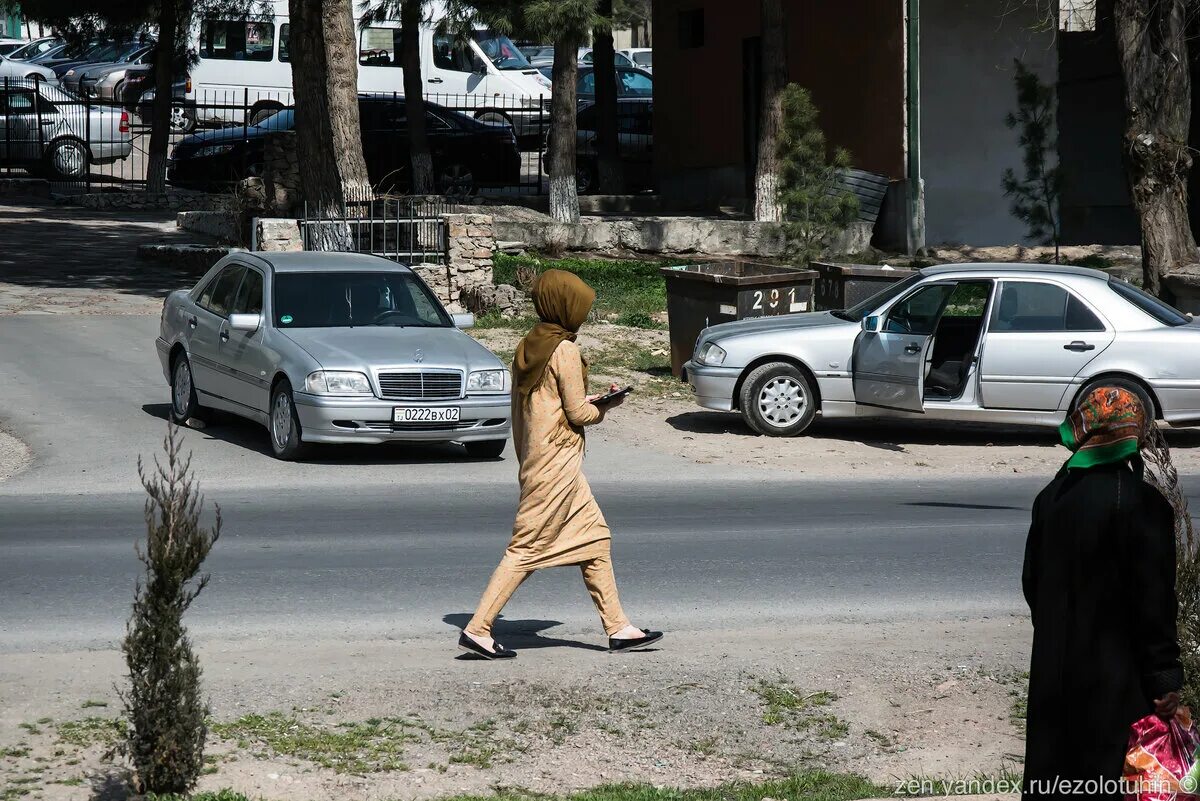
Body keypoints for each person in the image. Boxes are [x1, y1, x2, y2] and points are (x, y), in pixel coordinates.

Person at [459, 269, 663, 659]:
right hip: (556, 464)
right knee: (527, 548)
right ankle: (478, 628)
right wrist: (608, 405)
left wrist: (590, 403)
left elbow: (544, 407)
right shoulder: (564, 350)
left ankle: (619, 628)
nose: (583, 314)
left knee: (595, 539)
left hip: (542, 459)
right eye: (580, 306)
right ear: (564, 306)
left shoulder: (530, 344)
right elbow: (578, 413)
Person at [1022, 386, 1183, 800]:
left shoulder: (1050, 500)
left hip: (1054, 673)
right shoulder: (1145, 506)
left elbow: (1032, 585)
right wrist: (1164, 677)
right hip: (1118, 679)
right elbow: (1155, 604)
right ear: (1135, 435)